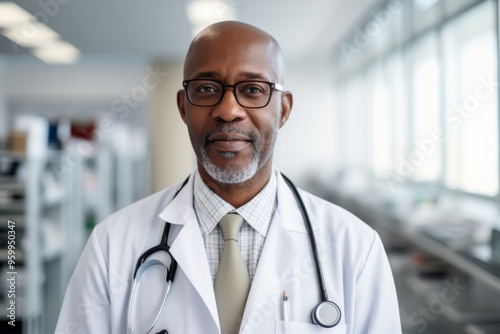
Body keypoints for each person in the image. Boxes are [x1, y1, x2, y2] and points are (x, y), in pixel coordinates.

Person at [55, 21, 401, 334]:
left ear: (283, 109)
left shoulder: (354, 247)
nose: (228, 110)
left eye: (252, 89)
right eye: (206, 89)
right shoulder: (112, 244)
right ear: (183, 107)